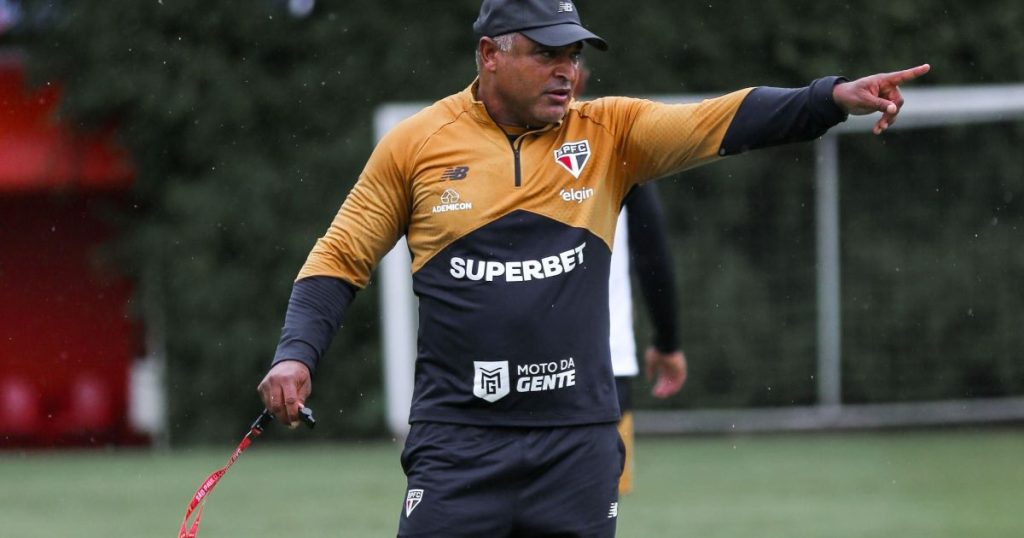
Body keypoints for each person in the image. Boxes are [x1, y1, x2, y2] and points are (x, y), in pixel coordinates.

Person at [257, 0, 930, 535]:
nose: (567, 72)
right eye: (547, 53)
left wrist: (829, 97)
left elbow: (720, 121)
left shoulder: (609, 134)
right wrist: (296, 353)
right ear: (490, 55)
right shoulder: (416, 145)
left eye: (573, 55)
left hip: (576, 444)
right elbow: (340, 256)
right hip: (458, 442)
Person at [609, 182, 687, 496]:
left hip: (493, 373)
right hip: (602, 365)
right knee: (597, 510)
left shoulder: (479, 158)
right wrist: (667, 342)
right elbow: (652, 252)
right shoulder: (615, 154)